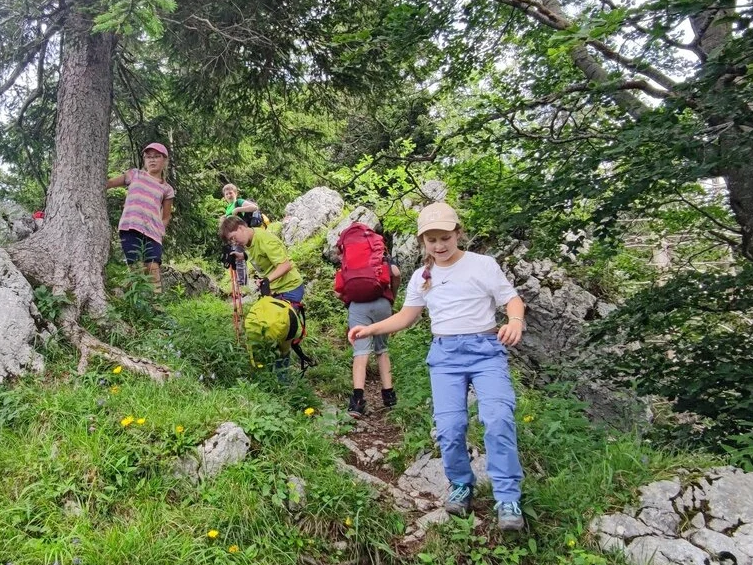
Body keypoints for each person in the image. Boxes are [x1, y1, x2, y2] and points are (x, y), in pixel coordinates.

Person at [347, 202, 528, 531]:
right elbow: (406, 316)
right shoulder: (421, 277)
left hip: (486, 350)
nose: (440, 245)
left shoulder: (482, 265)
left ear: (459, 233)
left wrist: (515, 320)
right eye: (431, 240)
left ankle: (507, 497)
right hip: (444, 355)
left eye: (445, 237)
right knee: (449, 428)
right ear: (423, 242)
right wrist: (370, 329)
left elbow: (511, 299)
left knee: (498, 418)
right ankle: (461, 484)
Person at [220, 215, 309, 377]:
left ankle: (282, 379)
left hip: (289, 288)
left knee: (281, 332)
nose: (235, 242)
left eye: (234, 238)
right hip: (273, 291)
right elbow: (258, 255)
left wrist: (267, 280)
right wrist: (242, 257)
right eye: (231, 241)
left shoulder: (265, 239)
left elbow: (286, 264)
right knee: (269, 329)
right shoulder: (249, 242)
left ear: (241, 227)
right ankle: (270, 373)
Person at [338, 223, 402, 419]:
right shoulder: (379, 250)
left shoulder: (348, 253)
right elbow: (396, 274)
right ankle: (389, 397)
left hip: (358, 304)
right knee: (382, 350)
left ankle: (357, 402)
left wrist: (349, 300)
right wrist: (392, 297)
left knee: (360, 352)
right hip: (382, 302)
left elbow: (338, 289)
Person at [106, 142, 175, 291]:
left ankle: (156, 306)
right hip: (130, 227)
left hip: (153, 232)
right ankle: (137, 305)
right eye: (148, 157)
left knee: (153, 268)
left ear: (164, 160)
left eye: (157, 156)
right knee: (136, 268)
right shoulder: (134, 174)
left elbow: (166, 216)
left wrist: (160, 230)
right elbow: (109, 183)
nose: (152, 160)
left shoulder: (167, 189)